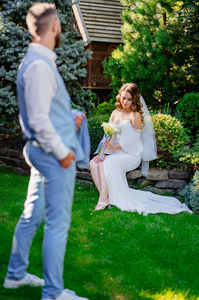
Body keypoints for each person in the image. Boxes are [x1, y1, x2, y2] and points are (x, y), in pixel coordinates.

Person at [3, 3, 89, 300]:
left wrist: (70, 116)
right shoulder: (40, 65)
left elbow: (42, 111)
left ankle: (15, 275)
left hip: (40, 151)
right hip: (52, 155)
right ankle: (53, 293)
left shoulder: (36, 61)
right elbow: (38, 120)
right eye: (61, 25)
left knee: (32, 214)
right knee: (57, 224)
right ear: (54, 27)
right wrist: (63, 152)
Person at [90, 83, 192, 215]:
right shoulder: (115, 113)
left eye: (129, 99)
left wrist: (112, 147)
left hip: (132, 154)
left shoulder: (135, 115)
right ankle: (106, 197)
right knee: (94, 163)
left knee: (107, 164)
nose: (125, 102)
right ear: (119, 96)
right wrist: (102, 153)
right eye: (123, 98)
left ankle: (103, 200)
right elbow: (108, 135)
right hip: (116, 152)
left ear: (134, 100)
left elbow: (133, 142)